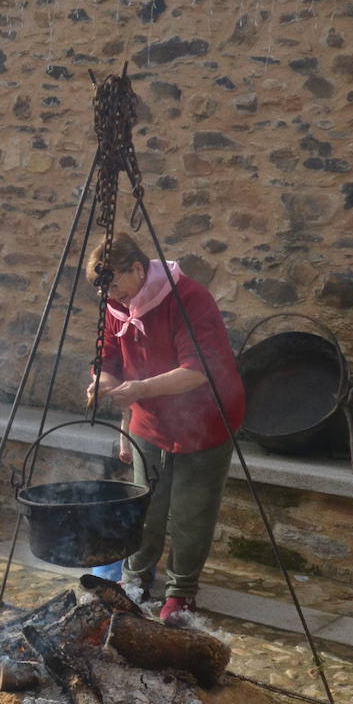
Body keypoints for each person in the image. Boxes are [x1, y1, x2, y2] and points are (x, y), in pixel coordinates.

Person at [84, 232, 245, 624]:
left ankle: (182, 592)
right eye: (107, 294)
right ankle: (136, 579)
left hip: (204, 420)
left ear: (138, 270)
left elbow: (198, 370)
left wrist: (138, 389)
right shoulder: (116, 304)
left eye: (118, 288)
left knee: (191, 511)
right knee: (145, 506)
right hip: (149, 420)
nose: (114, 301)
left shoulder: (189, 298)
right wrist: (102, 384)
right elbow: (106, 356)